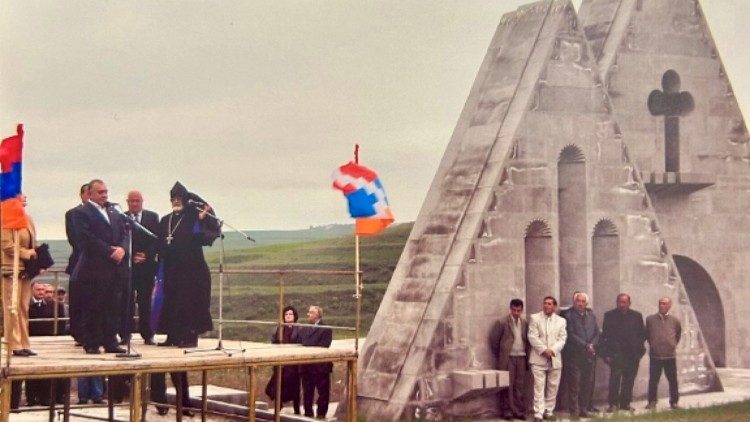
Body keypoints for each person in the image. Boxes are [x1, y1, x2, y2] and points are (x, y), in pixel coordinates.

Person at [155, 182, 219, 348]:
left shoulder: (193, 218)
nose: (176, 201)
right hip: (171, 270)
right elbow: (160, 243)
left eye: (179, 198)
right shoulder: (165, 220)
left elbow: (206, 235)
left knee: (190, 304)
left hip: (192, 270)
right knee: (171, 303)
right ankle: (172, 336)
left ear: (184, 199)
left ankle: (190, 337)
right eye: (173, 199)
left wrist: (202, 216)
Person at [70, 179, 127, 354]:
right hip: (94, 267)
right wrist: (109, 250)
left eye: (106, 192)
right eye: (100, 192)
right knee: (94, 305)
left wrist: (122, 249)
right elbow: (85, 238)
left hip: (113, 267)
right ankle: (92, 342)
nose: (104, 195)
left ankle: (110, 340)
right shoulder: (81, 212)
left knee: (112, 305)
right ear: (91, 193)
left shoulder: (113, 212)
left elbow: (124, 232)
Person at [1, 194, 38, 357]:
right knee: (12, 306)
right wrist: (26, 253)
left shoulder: (27, 218)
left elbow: (32, 242)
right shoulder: (6, 218)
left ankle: (24, 342)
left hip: (26, 270)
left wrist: (38, 256)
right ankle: (13, 344)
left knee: (24, 306)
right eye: (20, 196)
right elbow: (6, 245)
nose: (25, 198)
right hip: (11, 268)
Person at [121, 190, 160, 345]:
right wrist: (129, 256)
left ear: (142, 201)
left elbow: (156, 240)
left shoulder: (152, 217)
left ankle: (147, 334)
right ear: (127, 202)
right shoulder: (122, 217)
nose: (135, 204)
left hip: (146, 267)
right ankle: (125, 335)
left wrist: (146, 255)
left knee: (145, 302)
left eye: (138, 201)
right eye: (132, 201)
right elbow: (119, 239)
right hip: (128, 267)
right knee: (126, 302)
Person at [599, 293, 646, 412]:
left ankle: (625, 404)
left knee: (629, 380)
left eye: (624, 302)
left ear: (629, 303)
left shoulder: (637, 316)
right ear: (617, 303)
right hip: (616, 355)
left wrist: (640, 351)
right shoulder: (610, 316)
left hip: (632, 355)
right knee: (615, 380)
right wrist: (607, 355)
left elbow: (642, 335)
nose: (622, 304)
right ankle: (613, 405)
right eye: (619, 302)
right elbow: (605, 336)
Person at [27, 281, 69, 406]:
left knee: (47, 373)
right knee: (31, 372)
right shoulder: (26, 304)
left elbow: (61, 325)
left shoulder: (55, 305)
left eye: (43, 290)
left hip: (49, 342)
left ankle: (46, 398)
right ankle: (31, 398)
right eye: (38, 290)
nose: (41, 292)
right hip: (32, 341)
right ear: (32, 290)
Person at [527, 296, 566, 422]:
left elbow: (562, 338)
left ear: (554, 306)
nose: (546, 306)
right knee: (539, 386)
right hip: (538, 358)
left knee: (553, 386)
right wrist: (544, 350)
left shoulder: (561, 321)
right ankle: (538, 412)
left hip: (555, 358)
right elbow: (532, 336)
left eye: (549, 304)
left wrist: (553, 350)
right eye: (545, 303)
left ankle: (549, 411)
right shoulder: (535, 318)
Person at [489, 298, 529, 420]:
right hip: (508, 358)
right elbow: (494, 340)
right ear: (510, 309)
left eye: (518, 310)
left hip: (521, 357)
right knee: (507, 385)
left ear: (522, 310)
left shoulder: (524, 323)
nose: (516, 313)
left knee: (519, 385)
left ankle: (518, 411)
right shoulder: (502, 322)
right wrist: (502, 355)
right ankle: (507, 411)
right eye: (514, 310)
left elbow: (526, 340)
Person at [562, 292, 599, 419]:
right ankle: (574, 412)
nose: (580, 303)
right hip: (574, 356)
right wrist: (586, 345)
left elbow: (597, 332)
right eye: (578, 301)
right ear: (574, 302)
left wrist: (592, 344)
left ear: (586, 303)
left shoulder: (591, 315)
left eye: (583, 301)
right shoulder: (568, 315)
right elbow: (570, 334)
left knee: (586, 384)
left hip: (589, 356)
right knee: (574, 385)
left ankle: (584, 409)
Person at [64, 183, 90, 345]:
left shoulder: (105, 213)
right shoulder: (72, 214)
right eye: (88, 193)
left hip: (99, 264)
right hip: (80, 260)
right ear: (82, 195)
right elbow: (75, 238)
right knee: (78, 299)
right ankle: (78, 333)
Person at [645, 297, 681, 410]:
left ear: (669, 305)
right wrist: (654, 345)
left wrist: (672, 345)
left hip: (670, 356)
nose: (662, 306)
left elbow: (678, 335)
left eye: (665, 304)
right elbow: (647, 335)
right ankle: (652, 402)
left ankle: (674, 402)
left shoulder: (675, 320)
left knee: (673, 380)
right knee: (653, 380)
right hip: (656, 356)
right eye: (660, 303)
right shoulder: (650, 319)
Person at [265, 306, 301, 414]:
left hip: (293, 364)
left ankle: (297, 410)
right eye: (286, 314)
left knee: (295, 388)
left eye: (290, 314)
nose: (288, 316)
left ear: (294, 316)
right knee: (275, 386)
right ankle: (278, 406)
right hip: (280, 362)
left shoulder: (299, 328)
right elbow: (274, 341)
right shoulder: (279, 328)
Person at [299, 305, 333, 419]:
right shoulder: (306, 327)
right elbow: (304, 341)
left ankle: (321, 414)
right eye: (308, 312)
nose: (308, 314)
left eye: (311, 312)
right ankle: (308, 413)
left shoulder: (326, 328)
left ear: (317, 314)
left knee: (323, 392)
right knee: (307, 392)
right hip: (307, 366)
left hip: (320, 366)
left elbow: (324, 345)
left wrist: (309, 343)